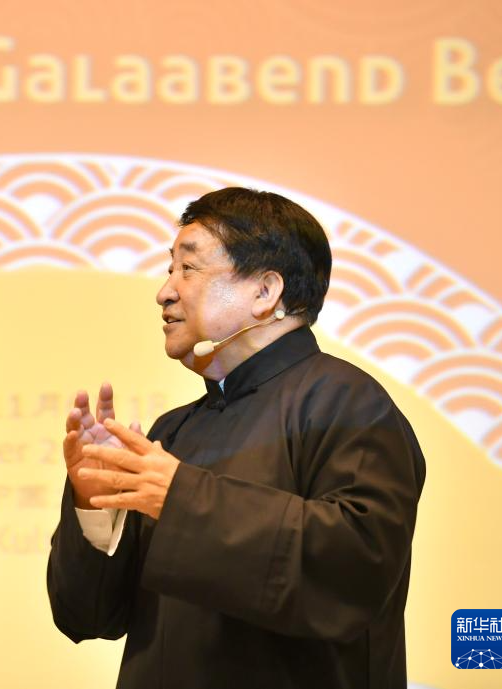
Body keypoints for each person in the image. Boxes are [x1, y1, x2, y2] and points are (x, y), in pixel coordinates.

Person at [47, 187, 425, 688]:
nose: (165, 292)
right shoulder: (174, 430)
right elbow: (88, 617)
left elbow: (357, 568)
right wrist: (95, 508)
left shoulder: (347, 402)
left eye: (188, 268)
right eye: (169, 269)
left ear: (265, 292)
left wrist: (181, 498)